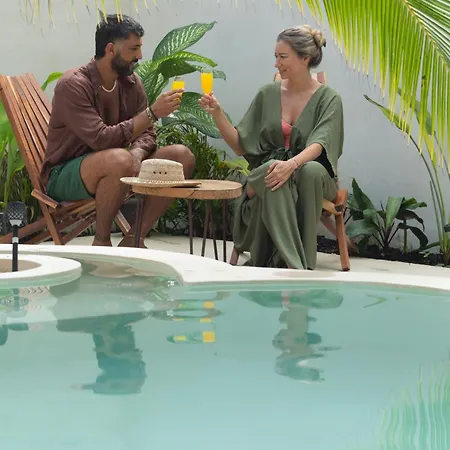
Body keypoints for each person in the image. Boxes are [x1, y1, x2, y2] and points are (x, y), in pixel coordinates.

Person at [41, 14, 195, 248]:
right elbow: (101, 139)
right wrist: (152, 113)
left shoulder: (131, 82)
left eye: (140, 47)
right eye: (133, 49)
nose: (140, 56)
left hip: (118, 164)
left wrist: (137, 154)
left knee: (181, 157)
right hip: (65, 174)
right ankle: (101, 242)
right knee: (119, 159)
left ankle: (134, 239)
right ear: (111, 49)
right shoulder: (73, 85)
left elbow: (147, 134)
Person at [199, 25, 344, 270]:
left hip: (314, 176)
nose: (276, 64)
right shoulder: (267, 94)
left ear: (305, 58)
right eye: (276, 56)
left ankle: (282, 260)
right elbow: (239, 145)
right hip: (273, 172)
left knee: (301, 171)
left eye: (283, 57)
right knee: (274, 173)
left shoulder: (330, 99)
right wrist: (217, 114)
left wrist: (291, 165)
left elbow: (320, 144)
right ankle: (297, 266)